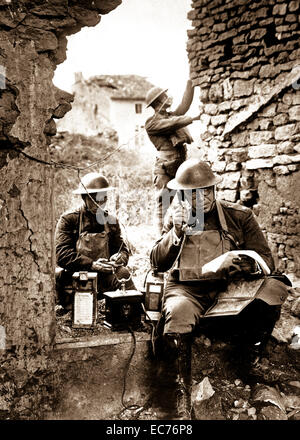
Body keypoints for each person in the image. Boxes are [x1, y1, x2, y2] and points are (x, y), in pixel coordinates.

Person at [150, 158, 290, 420]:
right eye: (193, 193)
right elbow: (157, 262)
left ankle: (248, 359)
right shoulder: (175, 219)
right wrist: (176, 233)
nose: (201, 198)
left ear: (214, 189)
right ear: (181, 194)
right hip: (187, 291)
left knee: (274, 288)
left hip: (228, 292)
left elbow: (266, 262)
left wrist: (235, 263)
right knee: (178, 312)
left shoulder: (240, 216)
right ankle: (177, 396)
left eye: (206, 191)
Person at [55, 172, 135, 309]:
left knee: (123, 273)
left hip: (104, 277)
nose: (99, 204)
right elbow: (61, 255)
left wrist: (120, 257)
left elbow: (123, 249)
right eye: (94, 200)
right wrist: (91, 264)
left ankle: (133, 314)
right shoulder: (69, 220)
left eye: (103, 199)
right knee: (59, 275)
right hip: (77, 277)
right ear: (84, 198)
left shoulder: (111, 221)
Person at [145, 79, 201, 233]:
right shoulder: (151, 123)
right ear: (158, 102)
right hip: (165, 168)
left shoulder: (170, 116)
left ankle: (193, 231)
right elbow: (173, 124)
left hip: (180, 164)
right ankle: (160, 239)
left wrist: (190, 83)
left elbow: (184, 104)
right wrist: (192, 118)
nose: (168, 97)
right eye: (164, 96)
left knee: (193, 198)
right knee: (163, 205)